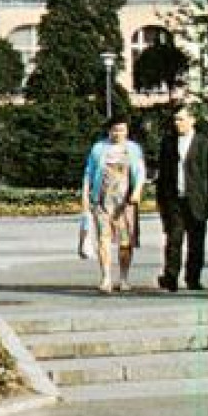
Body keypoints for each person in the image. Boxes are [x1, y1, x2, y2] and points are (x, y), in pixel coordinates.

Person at [155, 105, 208, 292]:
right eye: (176, 119)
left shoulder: (205, 144)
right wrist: (161, 201)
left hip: (197, 200)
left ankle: (193, 277)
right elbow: (162, 174)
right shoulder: (168, 143)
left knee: (196, 242)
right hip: (174, 199)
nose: (178, 123)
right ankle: (170, 276)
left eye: (181, 119)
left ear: (192, 120)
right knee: (174, 239)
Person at [81, 116, 146, 294]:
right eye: (115, 130)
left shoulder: (133, 149)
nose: (118, 133)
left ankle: (124, 278)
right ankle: (106, 277)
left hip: (126, 202)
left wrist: (137, 191)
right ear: (109, 131)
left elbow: (140, 172)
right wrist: (85, 196)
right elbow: (89, 172)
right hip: (102, 200)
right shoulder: (99, 148)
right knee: (104, 238)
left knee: (126, 242)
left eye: (122, 130)